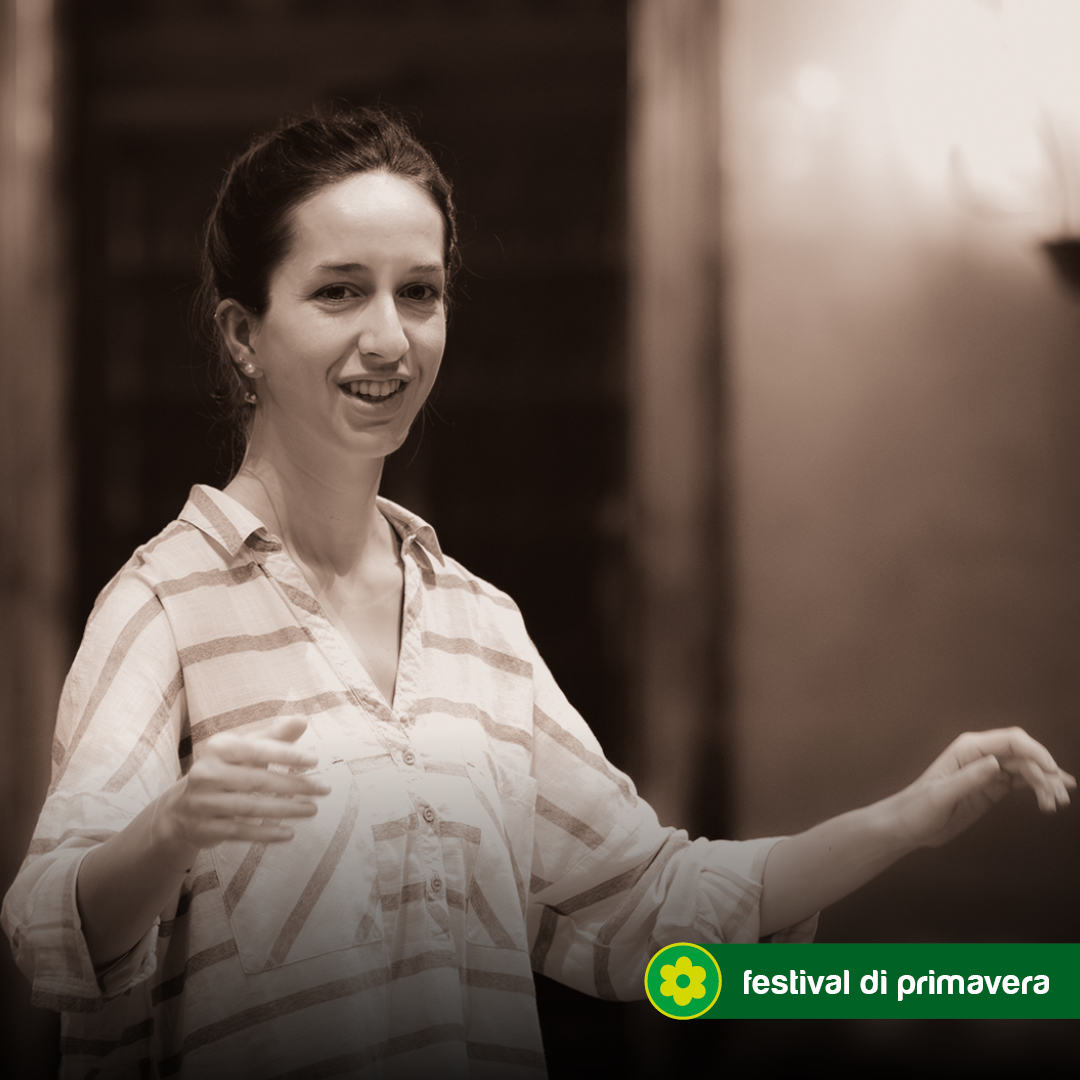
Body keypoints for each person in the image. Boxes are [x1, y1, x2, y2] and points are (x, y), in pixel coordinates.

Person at [2, 107, 1074, 1080]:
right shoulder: (164, 605)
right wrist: (175, 825)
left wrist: (902, 822)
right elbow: (51, 926)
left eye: (419, 292)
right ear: (244, 334)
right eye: (339, 291)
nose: (390, 337)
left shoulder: (480, 627)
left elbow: (651, 905)